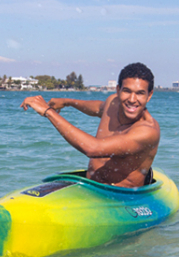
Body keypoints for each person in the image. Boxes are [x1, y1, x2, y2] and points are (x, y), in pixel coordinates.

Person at [20, 62, 159, 188]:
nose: (132, 99)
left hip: (121, 198)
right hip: (90, 186)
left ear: (149, 95)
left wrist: (48, 111)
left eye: (140, 93)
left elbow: (93, 149)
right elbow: (99, 108)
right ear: (118, 90)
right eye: (127, 91)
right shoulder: (113, 102)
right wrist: (67, 101)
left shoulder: (147, 131)